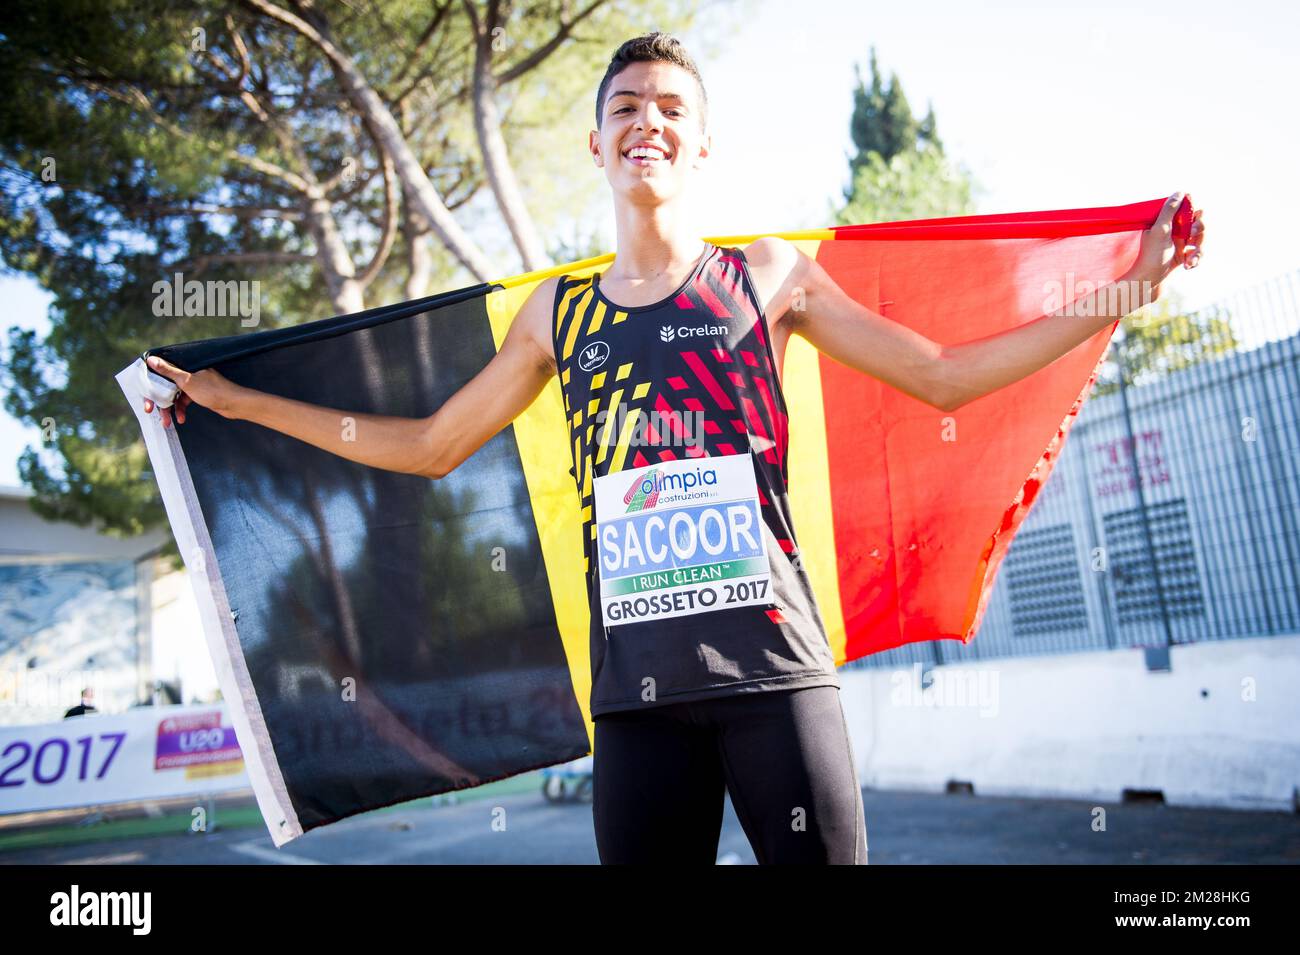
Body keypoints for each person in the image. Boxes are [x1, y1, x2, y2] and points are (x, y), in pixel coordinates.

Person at [140, 33, 1206, 865]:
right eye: (624, 109)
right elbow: (428, 446)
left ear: (701, 145)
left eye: (670, 109)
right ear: (595, 144)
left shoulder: (768, 276)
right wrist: (238, 401)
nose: (646, 122)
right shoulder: (554, 317)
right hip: (637, 700)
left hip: (776, 675)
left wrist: (1127, 285)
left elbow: (941, 373)